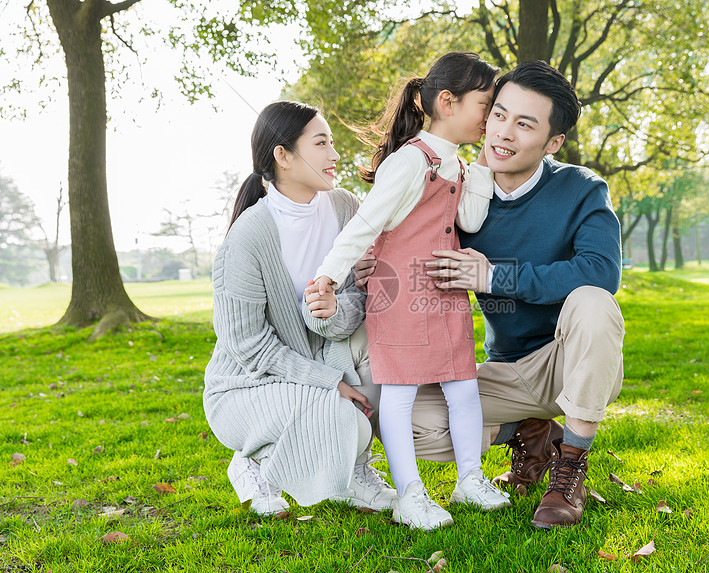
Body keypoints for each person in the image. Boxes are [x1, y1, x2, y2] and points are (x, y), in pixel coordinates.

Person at [414, 60, 625, 529]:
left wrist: (496, 278)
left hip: (569, 361)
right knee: (399, 416)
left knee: (594, 302)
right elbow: (421, 266)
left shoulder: (582, 188)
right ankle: (528, 433)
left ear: (553, 142)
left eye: (524, 124)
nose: (503, 133)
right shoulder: (457, 190)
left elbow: (602, 272)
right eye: (499, 114)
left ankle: (569, 466)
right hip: (504, 371)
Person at [310, 52, 511, 530]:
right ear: (447, 102)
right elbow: (366, 224)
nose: (490, 117)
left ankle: (469, 480)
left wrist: (480, 168)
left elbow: (471, 220)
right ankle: (410, 495)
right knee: (398, 397)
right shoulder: (409, 161)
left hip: (445, 297)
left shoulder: (459, 167)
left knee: (463, 388)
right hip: (399, 298)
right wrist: (328, 275)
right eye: (485, 104)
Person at [203, 101, 398, 517]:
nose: (335, 155)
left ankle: (350, 472)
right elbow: (250, 348)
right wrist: (329, 382)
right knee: (352, 421)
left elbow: (362, 298)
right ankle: (257, 462)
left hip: (325, 355)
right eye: (322, 143)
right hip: (248, 385)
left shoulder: (344, 207)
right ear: (284, 156)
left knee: (385, 355)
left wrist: (332, 310)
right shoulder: (247, 239)